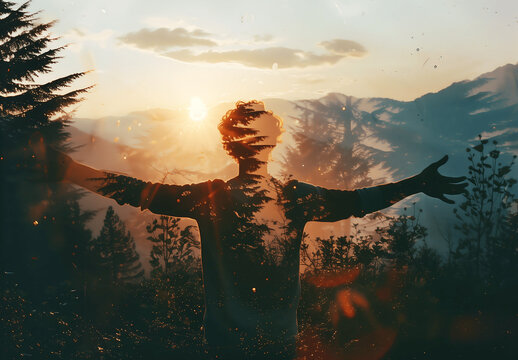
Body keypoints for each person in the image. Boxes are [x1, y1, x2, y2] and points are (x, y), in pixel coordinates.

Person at [38, 100, 466, 359]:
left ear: (229, 144)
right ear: (273, 141)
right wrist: (416, 184)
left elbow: (137, 192)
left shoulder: (212, 199)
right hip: (279, 346)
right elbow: (356, 201)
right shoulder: (294, 198)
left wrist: (73, 170)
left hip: (224, 347)